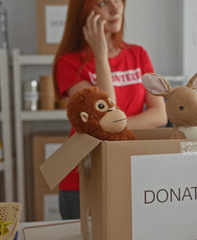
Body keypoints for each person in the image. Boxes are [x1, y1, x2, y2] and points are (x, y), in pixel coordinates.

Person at [53, 0, 168, 219]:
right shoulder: (68, 63)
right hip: (84, 179)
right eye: (103, 3)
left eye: (118, 0)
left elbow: (159, 115)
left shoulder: (138, 55)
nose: (116, 9)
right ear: (84, 12)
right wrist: (100, 56)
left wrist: (116, 127)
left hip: (128, 172)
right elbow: (104, 113)